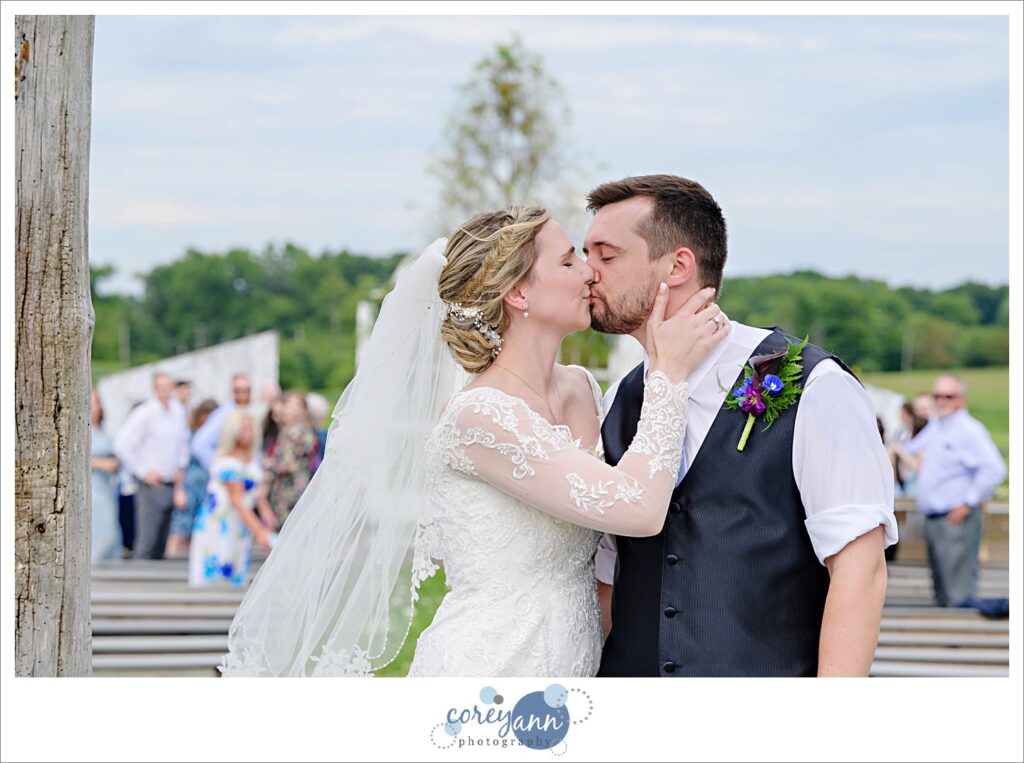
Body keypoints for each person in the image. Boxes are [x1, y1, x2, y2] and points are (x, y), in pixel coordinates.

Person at [220, 206, 728, 676]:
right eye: (569, 259)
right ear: (518, 294)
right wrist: (668, 372)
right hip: (490, 663)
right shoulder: (478, 417)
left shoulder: (581, 387)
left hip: (578, 658)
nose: (590, 272)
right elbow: (636, 508)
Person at [584, 175, 898, 676]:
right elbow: (609, 573)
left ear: (678, 265)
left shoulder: (815, 386)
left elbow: (859, 570)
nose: (588, 273)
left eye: (606, 255)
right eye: (584, 255)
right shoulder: (620, 399)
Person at [890, 374, 1006, 607]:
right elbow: (912, 450)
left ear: (961, 400)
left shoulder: (968, 430)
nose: (942, 401)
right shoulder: (937, 426)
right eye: (938, 396)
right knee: (942, 589)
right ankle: (948, 642)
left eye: (948, 396)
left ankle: (963, 641)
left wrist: (967, 502)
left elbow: (994, 469)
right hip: (935, 518)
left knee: (958, 591)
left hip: (955, 519)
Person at [188, 410, 272, 587]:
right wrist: (259, 531)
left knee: (237, 566)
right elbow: (237, 500)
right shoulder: (226, 462)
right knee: (219, 573)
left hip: (240, 524)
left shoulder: (252, 459)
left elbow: (256, 494)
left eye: (250, 429)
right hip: (220, 523)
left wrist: (266, 514)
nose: (247, 434)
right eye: (243, 429)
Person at [111, 372, 190, 560]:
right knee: (147, 541)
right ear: (155, 389)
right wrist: (143, 471)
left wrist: (180, 467)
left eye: (169, 387)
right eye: (161, 388)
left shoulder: (178, 411)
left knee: (161, 543)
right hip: (150, 486)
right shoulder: (145, 413)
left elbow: (183, 443)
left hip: (171, 482)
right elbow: (121, 445)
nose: (166, 392)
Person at [166, 399, 219, 559]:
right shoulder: (189, 435)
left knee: (199, 529)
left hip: (207, 486)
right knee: (181, 525)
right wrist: (179, 489)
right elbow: (180, 464)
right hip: (189, 485)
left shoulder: (215, 439)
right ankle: (169, 559)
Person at [257, 390, 317, 527]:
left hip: (290, 493)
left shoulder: (297, 432)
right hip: (289, 492)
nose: (290, 410)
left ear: (303, 410)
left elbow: (286, 464)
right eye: (288, 405)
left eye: (295, 406)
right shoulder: (292, 430)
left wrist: (268, 465)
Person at [191, 374, 253, 471]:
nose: (242, 395)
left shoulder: (250, 412)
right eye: (238, 391)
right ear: (232, 392)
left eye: (246, 391)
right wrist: (220, 468)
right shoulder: (223, 415)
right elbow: (199, 445)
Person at [90, 389, 122, 563]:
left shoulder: (102, 430)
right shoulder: (82, 432)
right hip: (93, 488)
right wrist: (102, 463)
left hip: (106, 486)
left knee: (111, 529)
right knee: (102, 528)